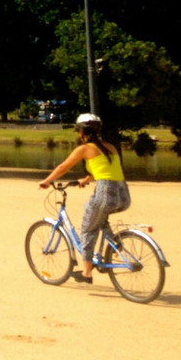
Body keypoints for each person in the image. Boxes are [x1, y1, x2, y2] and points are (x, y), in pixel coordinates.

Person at [39, 113, 130, 283]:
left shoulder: (84, 149)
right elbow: (104, 169)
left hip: (106, 193)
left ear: (81, 133)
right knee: (98, 218)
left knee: (88, 228)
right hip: (123, 194)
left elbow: (63, 167)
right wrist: (87, 179)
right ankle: (114, 245)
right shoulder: (110, 147)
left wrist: (47, 181)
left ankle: (87, 273)